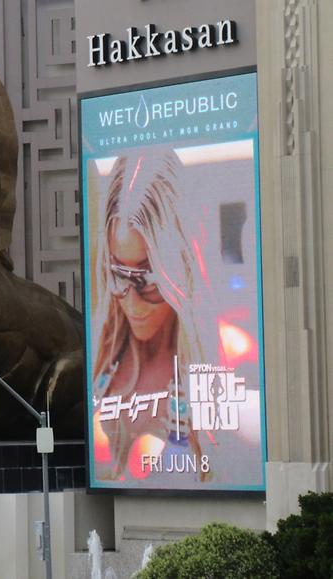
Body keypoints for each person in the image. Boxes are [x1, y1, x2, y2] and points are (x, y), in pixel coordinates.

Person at [90, 151, 216, 483]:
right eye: (118, 274)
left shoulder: (226, 359)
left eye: (148, 281)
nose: (131, 302)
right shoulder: (99, 359)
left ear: (182, 268)